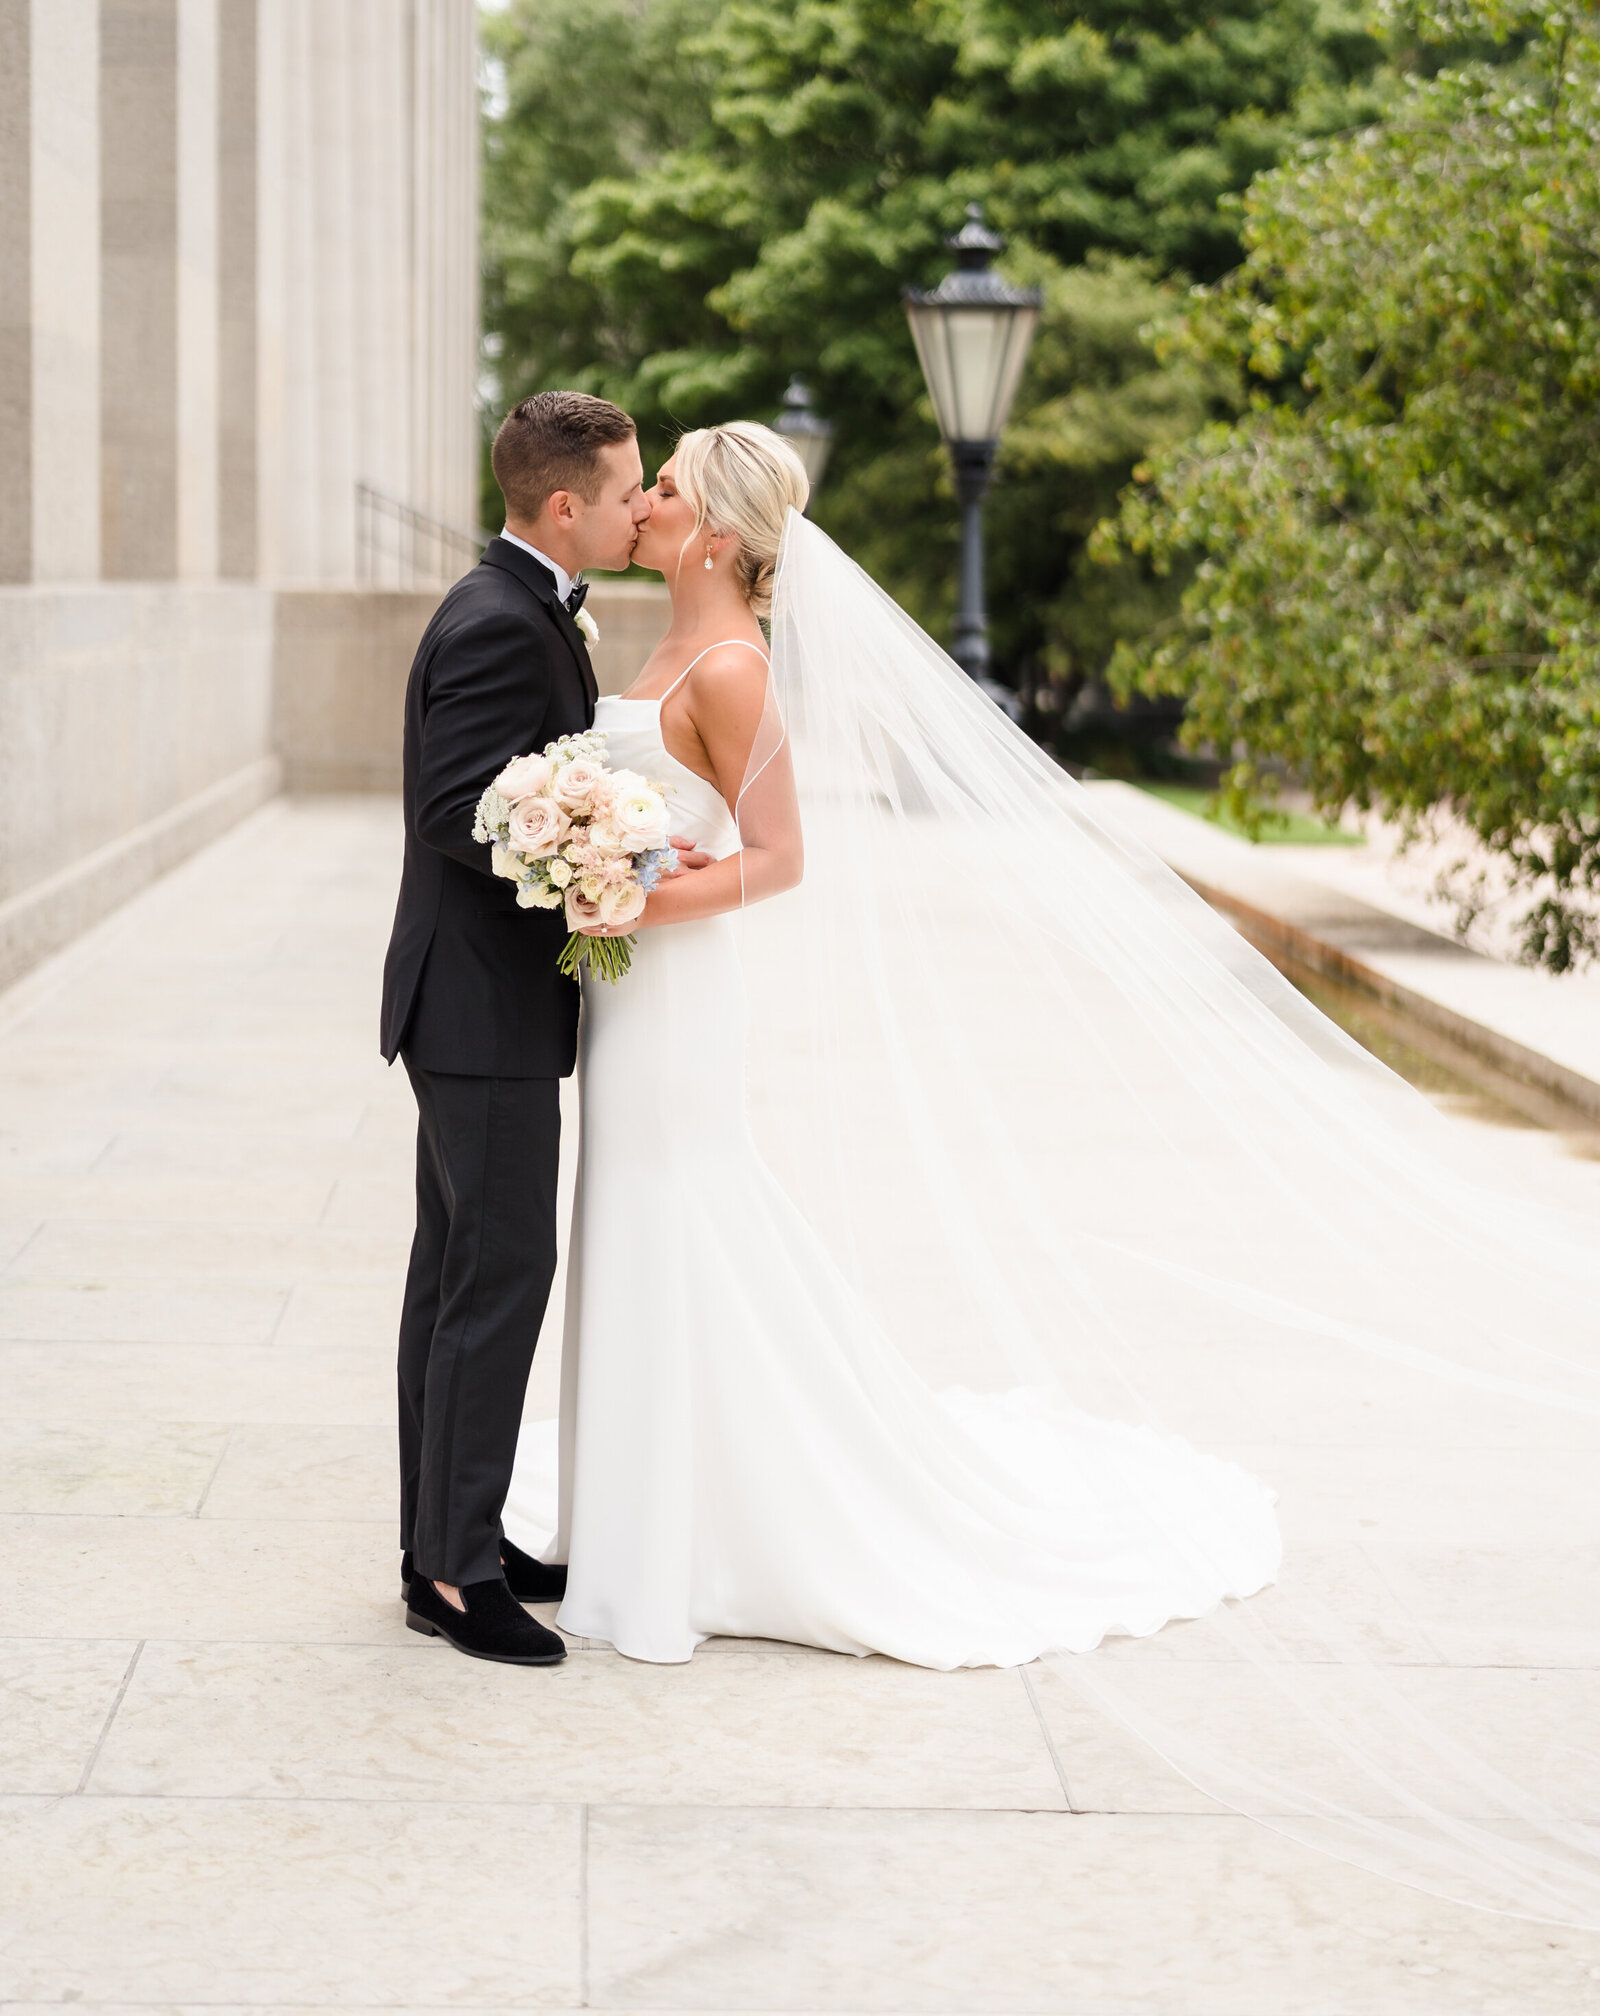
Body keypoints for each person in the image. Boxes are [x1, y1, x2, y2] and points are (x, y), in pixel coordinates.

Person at [495, 418, 1600, 1930]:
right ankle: (637, 1502)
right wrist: (594, 869)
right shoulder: (666, 642)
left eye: (672, 483)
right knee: (626, 1221)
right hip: (624, 988)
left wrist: (631, 890)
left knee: (682, 1214)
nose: (654, 496)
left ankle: (686, 1526)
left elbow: (780, 858)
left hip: (671, 995)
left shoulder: (738, 664)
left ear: (721, 534)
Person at [381, 391, 658, 1666]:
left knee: (458, 1278)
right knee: (497, 1278)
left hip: (476, 1004)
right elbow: (456, 808)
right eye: (624, 488)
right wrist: (587, 848)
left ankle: (447, 1540)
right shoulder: (498, 618)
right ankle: (454, 1574)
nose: (637, 503)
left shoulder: (517, 602)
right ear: (565, 504)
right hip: (480, 1008)